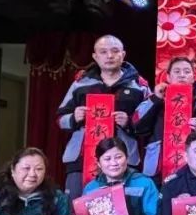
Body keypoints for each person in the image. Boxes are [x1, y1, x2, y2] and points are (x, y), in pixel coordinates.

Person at [56, 35, 152, 200]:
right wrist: (74, 117)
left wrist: (129, 122)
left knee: (123, 209)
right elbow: (60, 119)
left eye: (115, 51)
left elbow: (150, 122)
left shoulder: (139, 85)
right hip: (81, 159)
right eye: (103, 52)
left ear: (123, 54)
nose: (109, 56)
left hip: (122, 160)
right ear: (95, 56)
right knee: (77, 208)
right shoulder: (81, 83)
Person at [133, 56, 196, 180]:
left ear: (193, 77)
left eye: (187, 72)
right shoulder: (156, 97)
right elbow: (137, 125)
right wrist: (156, 99)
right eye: (177, 71)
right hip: (159, 166)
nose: (182, 75)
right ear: (168, 77)